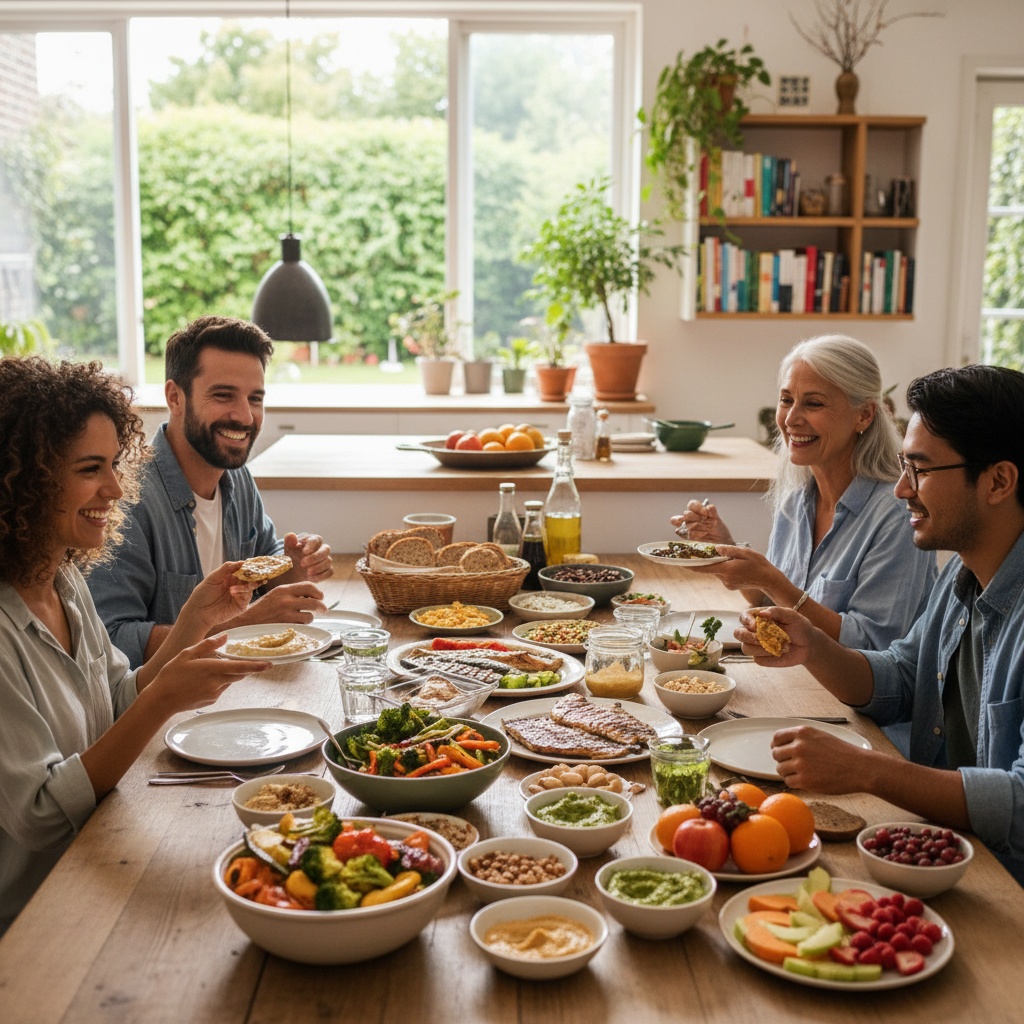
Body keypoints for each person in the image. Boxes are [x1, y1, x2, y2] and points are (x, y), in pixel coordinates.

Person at [0, 357, 272, 933]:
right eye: (90, 468)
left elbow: (116, 701)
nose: (116, 488)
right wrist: (162, 701)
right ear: (23, 480)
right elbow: (44, 814)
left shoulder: (64, 579)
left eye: (113, 463)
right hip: (33, 920)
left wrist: (197, 615)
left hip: (96, 861)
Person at [743, 364, 1024, 885]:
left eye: (920, 470)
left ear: (998, 481)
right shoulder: (964, 571)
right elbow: (900, 678)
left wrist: (867, 770)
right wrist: (812, 646)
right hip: (937, 847)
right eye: (902, 467)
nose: (900, 490)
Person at [87, 315, 333, 668]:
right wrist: (245, 624)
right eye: (223, 395)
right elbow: (112, 643)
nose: (245, 417)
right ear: (175, 397)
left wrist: (297, 563)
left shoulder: (238, 477)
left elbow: (268, 568)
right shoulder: (126, 498)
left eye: (255, 398)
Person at [672, 334, 936, 650]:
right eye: (786, 400)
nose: (791, 419)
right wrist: (728, 549)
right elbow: (772, 601)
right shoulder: (796, 499)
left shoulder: (896, 515)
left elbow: (873, 647)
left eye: (813, 403)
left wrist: (771, 580)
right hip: (795, 679)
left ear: (864, 415)